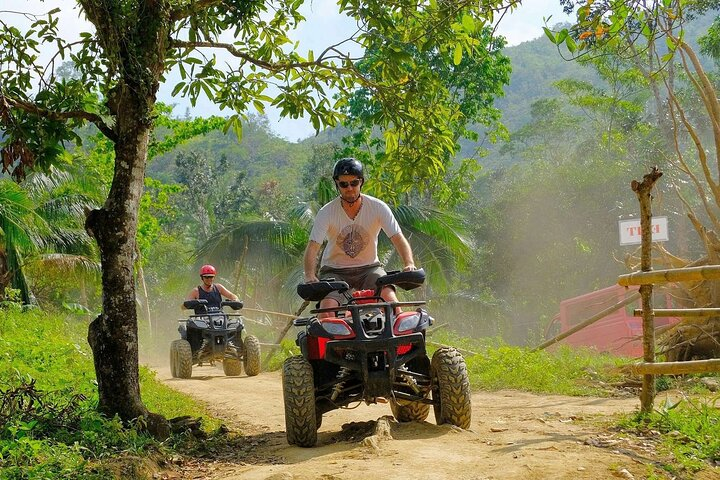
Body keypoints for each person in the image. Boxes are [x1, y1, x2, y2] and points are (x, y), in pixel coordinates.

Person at [303, 158, 416, 317]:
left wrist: (409, 264)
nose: (349, 188)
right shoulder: (326, 212)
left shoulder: (378, 207)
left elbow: (398, 238)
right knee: (327, 311)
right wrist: (309, 275)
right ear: (337, 184)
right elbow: (313, 246)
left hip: (369, 269)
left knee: (392, 302)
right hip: (334, 272)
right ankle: (332, 339)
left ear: (361, 182)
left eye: (354, 183)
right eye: (344, 184)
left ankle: (400, 336)